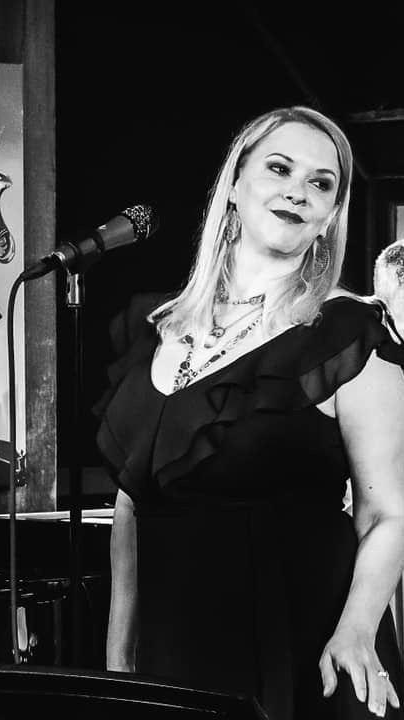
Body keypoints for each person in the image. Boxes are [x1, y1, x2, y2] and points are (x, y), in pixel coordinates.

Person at [94, 106, 404, 719]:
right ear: (234, 185)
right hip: (177, 649)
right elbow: (130, 510)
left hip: (303, 645)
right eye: (279, 169)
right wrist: (118, 665)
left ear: (330, 216)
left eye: (321, 183)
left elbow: (387, 514)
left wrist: (357, 630)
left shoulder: (349, 333)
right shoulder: (153, 329)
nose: (298, 191)